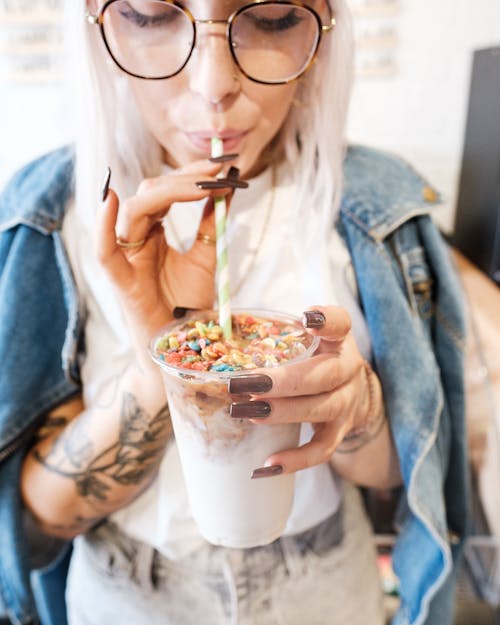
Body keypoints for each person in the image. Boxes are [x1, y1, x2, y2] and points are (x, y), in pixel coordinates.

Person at [0, 1, 469, 624]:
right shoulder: (58, 216)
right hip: (125, 591)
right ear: (98, 25)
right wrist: (162, 353)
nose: (214, 82)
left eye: (272, 19)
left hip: (324, 586)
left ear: (325, 33)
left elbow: (406, 475)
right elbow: (42, 516)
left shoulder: (374, 209)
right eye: (150, 16)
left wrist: (357, 411)